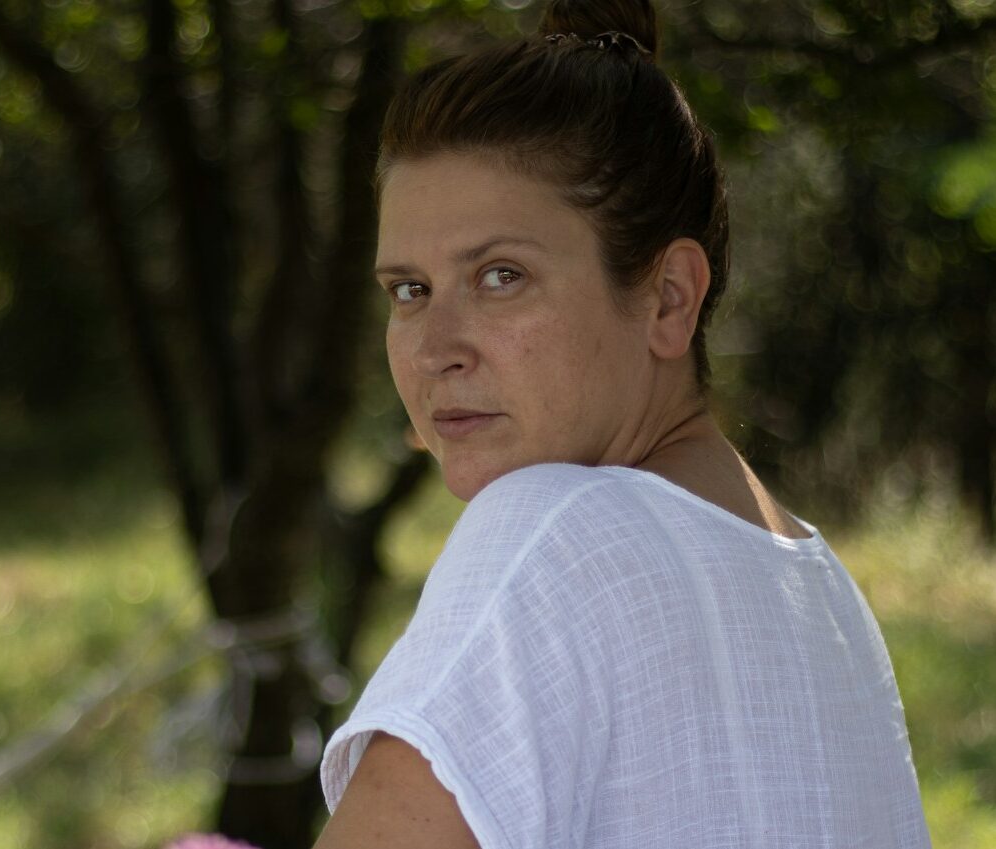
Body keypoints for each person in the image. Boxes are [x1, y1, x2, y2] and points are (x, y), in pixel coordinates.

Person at [314, 0, 932, 846]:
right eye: (408, 291)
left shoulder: (551, 528)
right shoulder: (822, 591)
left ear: (668, 297)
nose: (432, 351)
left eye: (499, 276)